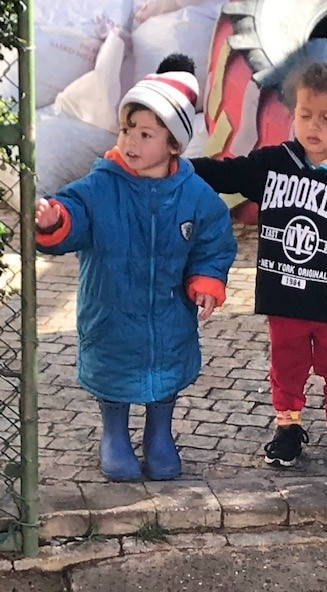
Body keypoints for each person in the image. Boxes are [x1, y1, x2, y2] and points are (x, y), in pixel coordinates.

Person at [35, 59, 237, 482]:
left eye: (146, 134)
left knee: (167, 371)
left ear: (174, 144)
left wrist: (206, 278)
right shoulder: (100, 185)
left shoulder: (195, 194)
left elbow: (213, 238)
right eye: (127, 129)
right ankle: (114, 435)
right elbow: (75, 212)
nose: (131, 141)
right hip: (111, 311)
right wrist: (56, 220)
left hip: (169, 312)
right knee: (114, 370)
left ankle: (159, 435)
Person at [191, 62, 327, 473]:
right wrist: (183, 166)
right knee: (286, 367)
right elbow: (230, 173)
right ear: (293, 113)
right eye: (305, 114)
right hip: (285, 297)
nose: (314, 126)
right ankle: (288, 427)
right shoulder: (274, 163)